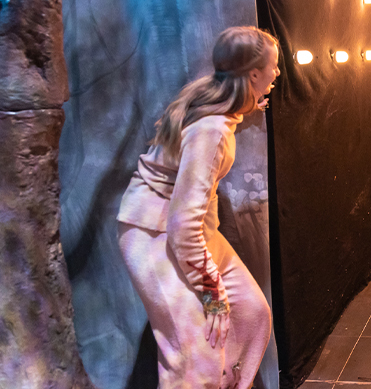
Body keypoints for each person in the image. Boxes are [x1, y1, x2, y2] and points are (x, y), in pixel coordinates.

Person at [117, 26, 278, 388]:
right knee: (194, 358)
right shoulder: (212, 131)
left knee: (251, 315)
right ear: (253, 74)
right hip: (153, 233)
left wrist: (250, 104)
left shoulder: (221, 106)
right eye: (273, 66)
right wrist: (213, 294)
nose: (277, 73)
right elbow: (183, 227)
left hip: (187, 229)